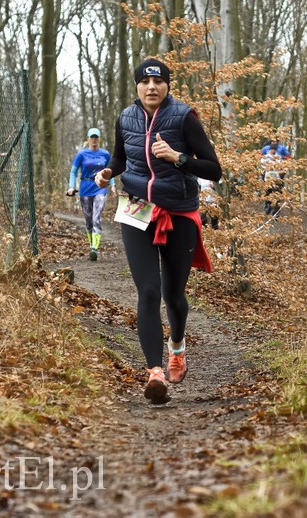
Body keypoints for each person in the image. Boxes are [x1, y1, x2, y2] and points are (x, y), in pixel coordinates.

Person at [94, 57, 222, 404]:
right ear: (137, 86)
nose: (151, 87)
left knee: (173, 295)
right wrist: (107, 173)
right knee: (148, 292)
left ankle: (177, 346)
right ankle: (155, 373)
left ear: (167, 86)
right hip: (136, 208)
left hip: (178, 211)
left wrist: (178, 157)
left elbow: (214, 170)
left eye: (158, 82)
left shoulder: (184, 117)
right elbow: (121, 159)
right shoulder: (126, 117)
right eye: (145, 82)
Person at [67, 128, 116, 261]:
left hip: (100, 188)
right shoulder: (81, 154)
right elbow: (73, 172)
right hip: (85, 188)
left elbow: (109, 171)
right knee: (89, 222)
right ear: (88, 139)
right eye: (92, 137)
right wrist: (71, 187)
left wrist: (112, 185)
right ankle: (91, 245)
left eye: (96, 137)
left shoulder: (105, 154)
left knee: (96, 219)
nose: (94, 139)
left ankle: (94, 248)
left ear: (99, 139)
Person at [261, 143, 284, 216]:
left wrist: (281, 176)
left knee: (277, 196)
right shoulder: (265, 158)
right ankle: (268, 206)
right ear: (270, 149)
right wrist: (262, 174)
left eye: (274, 150)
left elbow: (282, 168)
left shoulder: (279, 158)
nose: (273, 151)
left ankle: (276, 213)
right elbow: (261, 167)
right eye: (272, 149)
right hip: (267, 179)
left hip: (276, 179)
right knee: (268, 194)